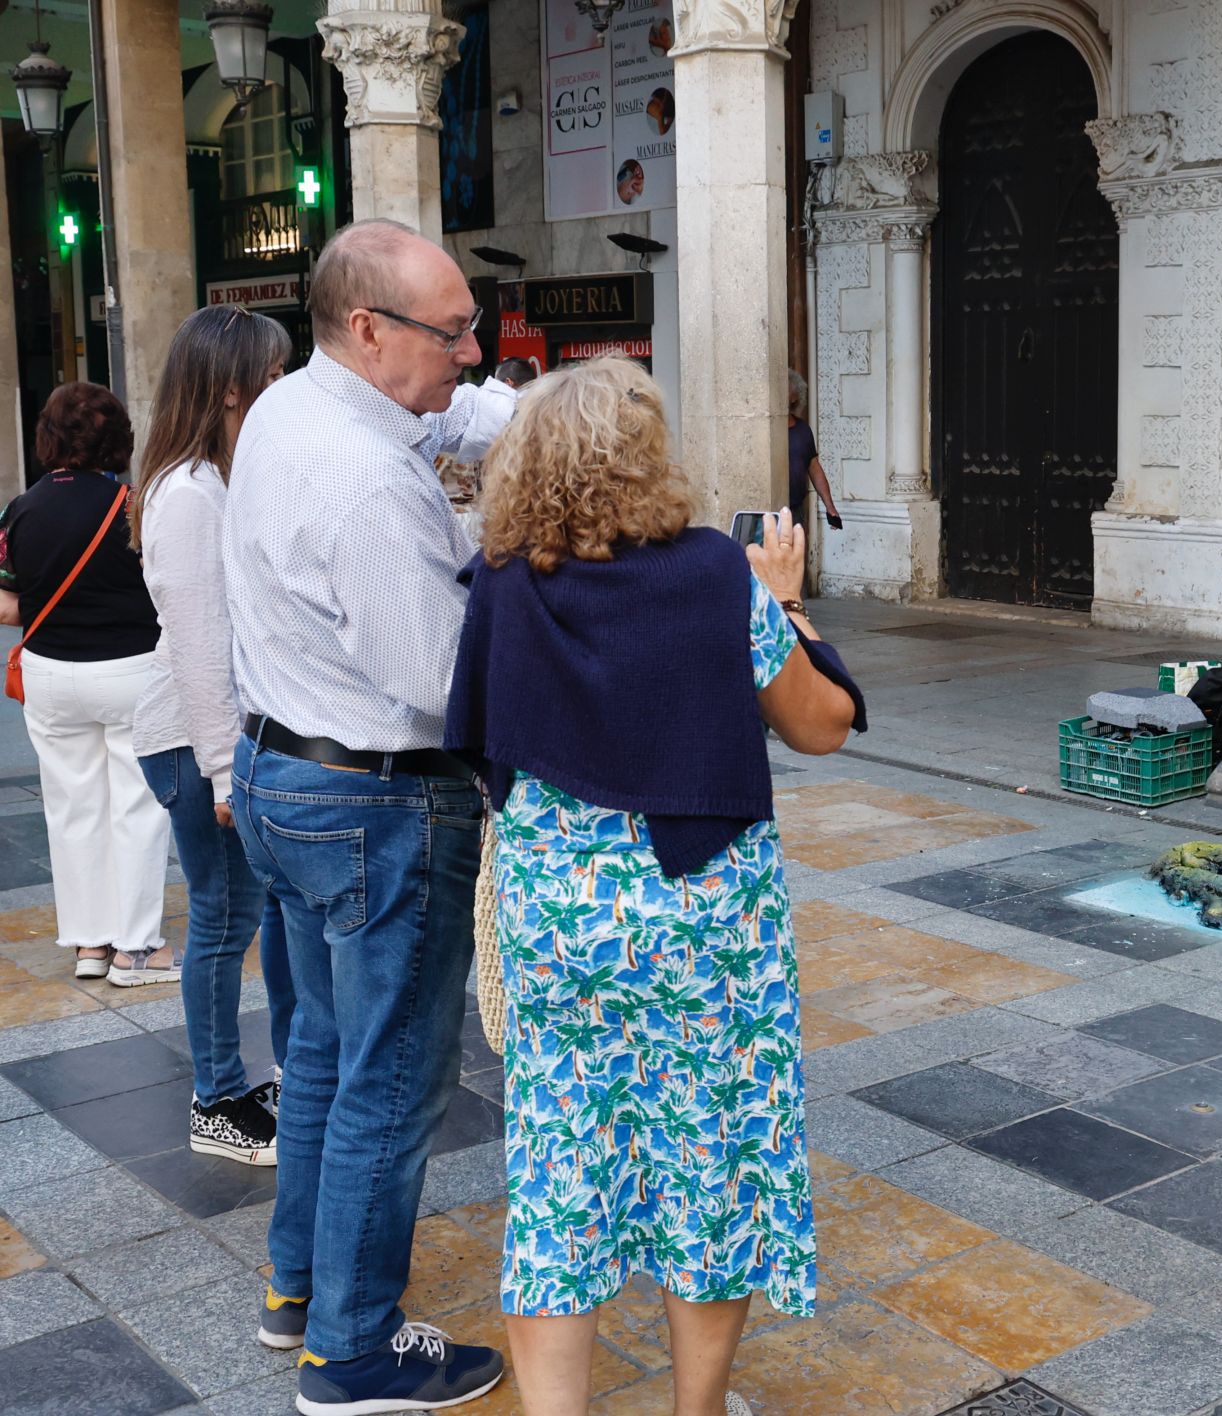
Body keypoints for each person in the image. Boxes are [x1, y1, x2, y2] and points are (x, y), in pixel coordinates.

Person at [443, 358, 862, 1416]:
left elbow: (478, 739)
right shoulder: (719, 577)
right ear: (647, 457)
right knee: (708, 1169)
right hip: (703, 932)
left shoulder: (502, 580)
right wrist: (788, 607)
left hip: (559, 929)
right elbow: (821, 724)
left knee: (556, 1179)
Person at [223, 219, 518, 1414]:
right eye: (453, 332)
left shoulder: (302, 406)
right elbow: (443, 683)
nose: (471, 351)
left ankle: (299, 1284)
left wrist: (561, 417)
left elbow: (457, 414)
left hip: (284, 779)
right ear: (368, 329)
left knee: (329, 1058)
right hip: (375, 802)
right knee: (394, 1082)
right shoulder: (362, 480)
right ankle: (351, 1348)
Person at [128, 305, 295, 1167]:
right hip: (195, 734)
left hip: (208, 732)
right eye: (269, 376)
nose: (280, 389)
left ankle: (230, 1082)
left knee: (236, 917)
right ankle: (216, 1096)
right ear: (228, 388)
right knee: (224, 924)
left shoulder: (209, 479)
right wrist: (227, 773)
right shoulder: (187, 493)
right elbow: (198, 639)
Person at [0, 383, 172, 986]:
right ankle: (136, 950)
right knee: (137, 806)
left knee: (72, 808)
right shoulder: (137, 504)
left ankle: (89, 946)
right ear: (118, 439)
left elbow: (6, 607)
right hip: (131, 670)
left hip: (50, 674)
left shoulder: (20, 509)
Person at [786, 371, 842, 531]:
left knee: (793, 556)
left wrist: (830, 507)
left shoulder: (803, 430)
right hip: (765, 512)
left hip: (794, 510)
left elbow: (814, 467)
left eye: (784, 386)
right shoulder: (764, 431)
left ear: (794, 397)